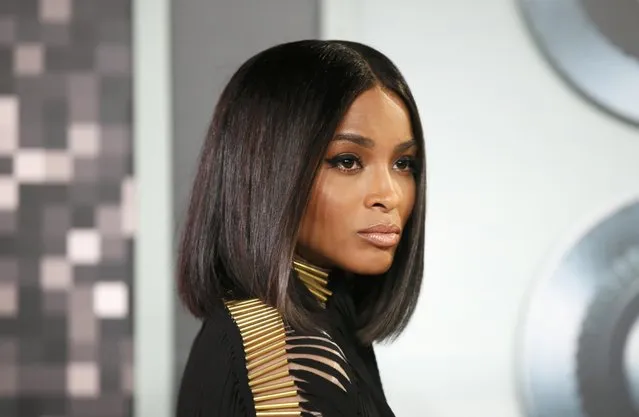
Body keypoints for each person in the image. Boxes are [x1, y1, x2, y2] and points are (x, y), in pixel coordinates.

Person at [176, 39, 426, 417]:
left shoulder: (327, 315)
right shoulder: (289, 358)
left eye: (403, 164)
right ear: (267, 170)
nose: (389, 194)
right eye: (347, 161)